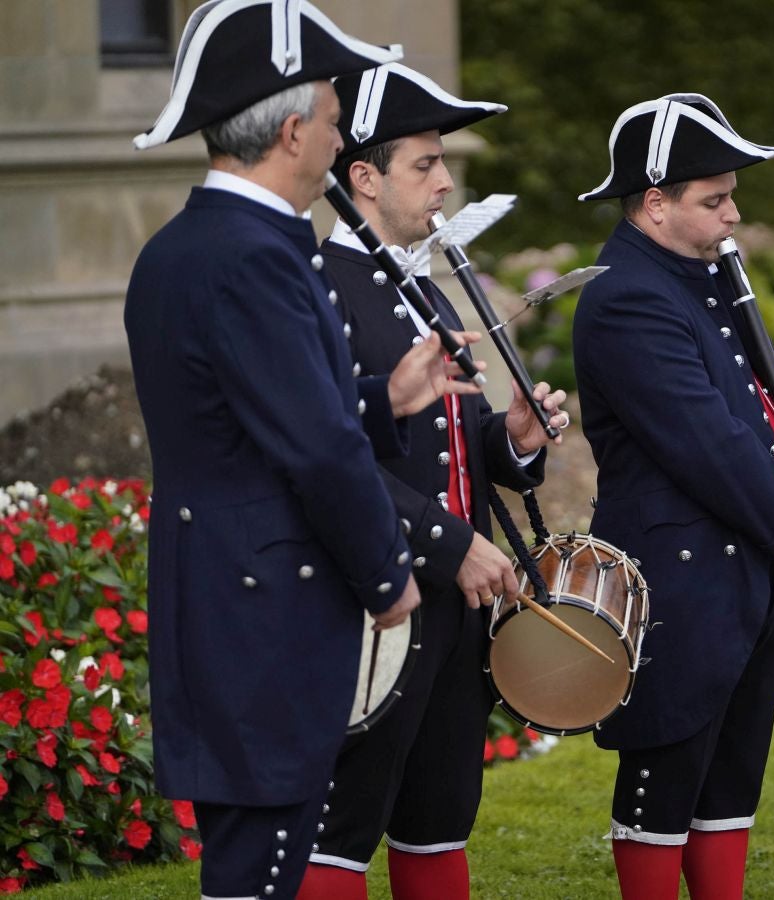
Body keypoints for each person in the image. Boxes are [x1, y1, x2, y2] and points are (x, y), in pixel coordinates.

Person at [124, 4, 480, 897]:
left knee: (254, 863)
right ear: (291, 132)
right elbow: (314, 451)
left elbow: (258, 416)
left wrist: (384, 397)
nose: (335, 135)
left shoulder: (193, 244)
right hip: (264, 603)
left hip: (229, 588)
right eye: (328, 117)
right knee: (263, 870)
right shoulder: (254, 256)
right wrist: (388, 576)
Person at [294, 63, 569, 900]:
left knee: (439, 815)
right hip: (377, 597)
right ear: (363, 178)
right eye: (423, 163)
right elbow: (328, 452)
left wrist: (512, 439)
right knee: (343, 826)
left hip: (455, 597)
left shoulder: (419, 287)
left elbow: (446, 441)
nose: (445, 180)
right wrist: (450, 544)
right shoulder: (318, 290)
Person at [572, 93, 774, 900]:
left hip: (741, 574)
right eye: (715, 199)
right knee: (666, 782)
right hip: (681, 577)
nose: (734, 212)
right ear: (654, 204)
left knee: (730, 785)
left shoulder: (705, 273)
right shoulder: (626, 294)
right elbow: (708, 444)